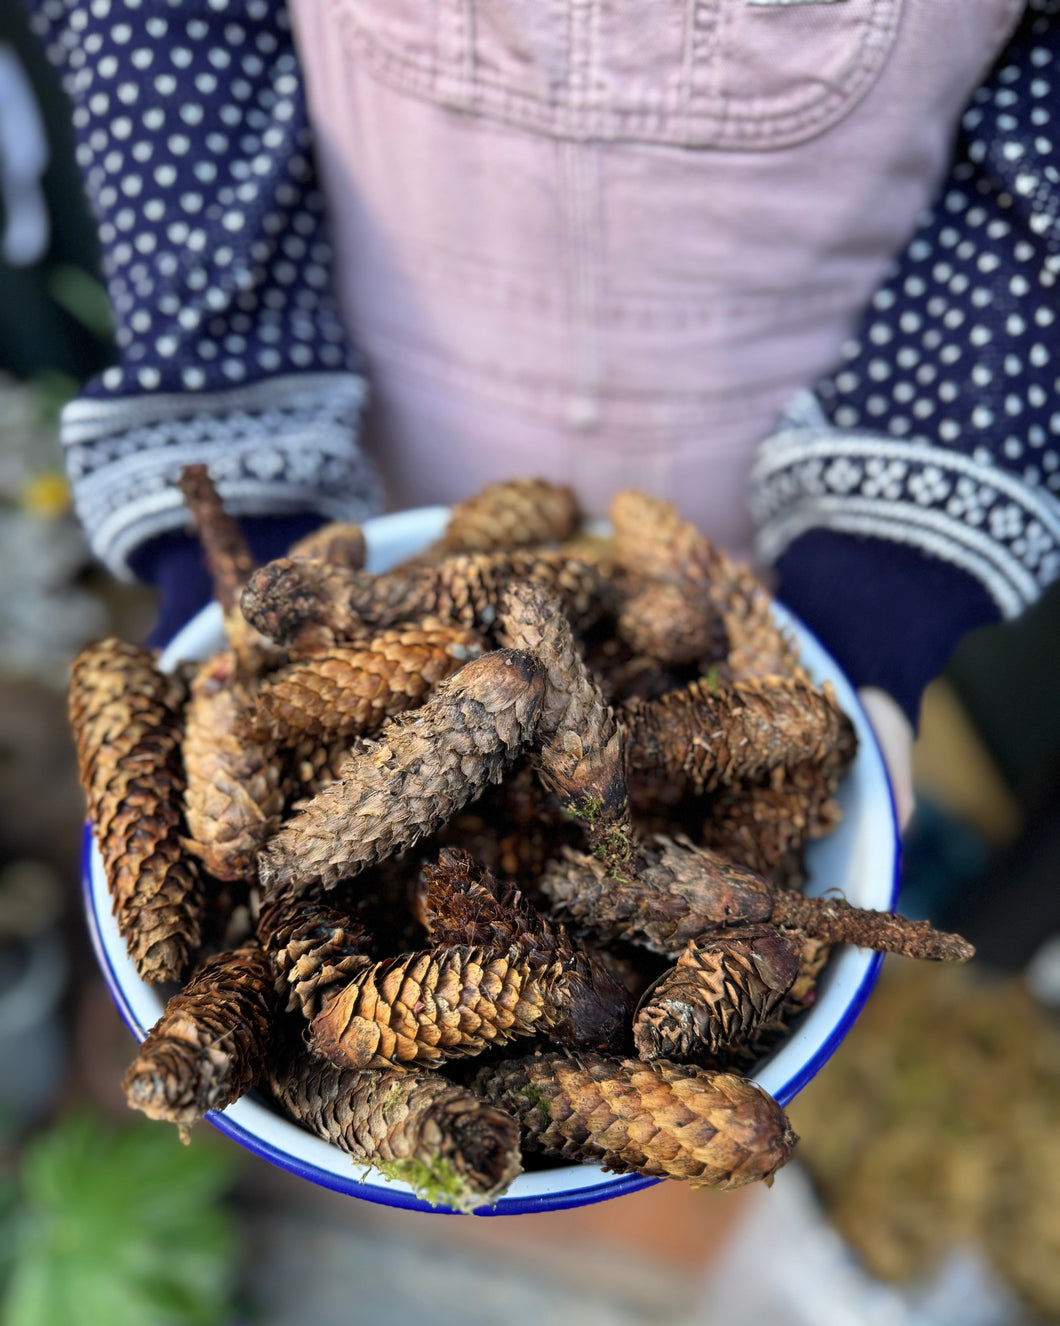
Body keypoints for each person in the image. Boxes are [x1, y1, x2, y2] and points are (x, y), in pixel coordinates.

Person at [27, 0, 1060, 823]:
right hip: (376, 453)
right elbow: (164, 31)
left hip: (788, 479)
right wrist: (246, 522)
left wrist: (874, 598)